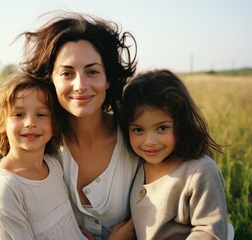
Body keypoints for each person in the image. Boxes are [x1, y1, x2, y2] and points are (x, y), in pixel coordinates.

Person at [19, 11, 139, 239]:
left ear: (108, 79)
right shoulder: (39, 146)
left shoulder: (138, 140)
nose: (80, 85)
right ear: (50, 79)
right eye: (67, 73)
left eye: (92, 72)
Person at [120, 69, 232, 239]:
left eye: (162, 128)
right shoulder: (138, 164)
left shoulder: (200, 171)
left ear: (181, 124)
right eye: (138, 130)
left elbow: (210, 232)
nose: (149, 141)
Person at [0, 72, 88, 239]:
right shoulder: (6, 187)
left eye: (41, 115)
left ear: (54, 125)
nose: (30, 123)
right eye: (19, 115)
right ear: (0, 123)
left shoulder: (53, 164)